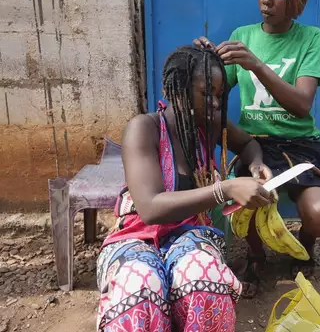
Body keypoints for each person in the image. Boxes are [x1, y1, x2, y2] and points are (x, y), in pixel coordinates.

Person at [96, 46, 274, 331]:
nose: (216, 104)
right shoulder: (144, 128)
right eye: (207, 94)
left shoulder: (209, 125)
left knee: (205, 282)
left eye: (220, 95)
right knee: (139, 285)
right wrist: (225, 189)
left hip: (189, 234)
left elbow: (249, 144)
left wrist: (255, 166)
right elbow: (151, 208)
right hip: (136, 236)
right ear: (177, 91)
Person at [194, 0, 320, 298]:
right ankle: (256, 256)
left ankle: (304, 248)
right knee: (245, 199)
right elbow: (215, 87)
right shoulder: (242, 36)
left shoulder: (311, 38)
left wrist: (257, 65)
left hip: (301, 144)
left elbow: (302, 103)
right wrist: (204, 59)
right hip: (254, 144)